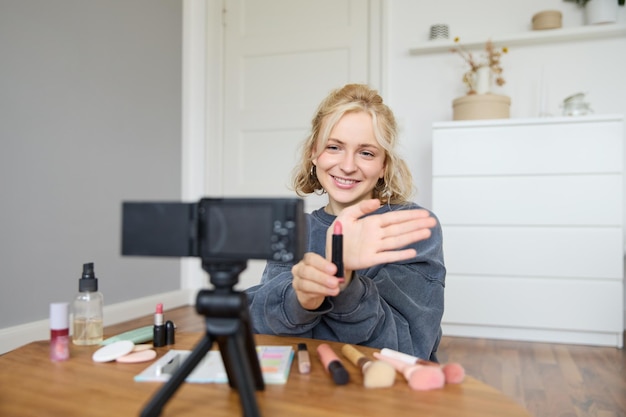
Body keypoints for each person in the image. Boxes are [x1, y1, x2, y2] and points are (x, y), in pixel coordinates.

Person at [246, 84, 445, 361]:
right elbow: (259, 325)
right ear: (314, 153)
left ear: (384, 165)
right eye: (334, 147)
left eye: (366, 153)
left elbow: (408, 347)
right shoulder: (295, 228)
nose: (348, 166)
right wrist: (301, 299)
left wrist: (345, 280)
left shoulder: (410, 226)